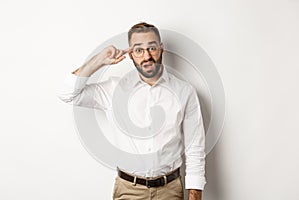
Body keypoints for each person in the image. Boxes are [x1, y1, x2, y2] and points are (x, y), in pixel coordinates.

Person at [57, 22, 206, 200]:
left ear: (161, 49)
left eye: (152, 48)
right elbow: (67, 94)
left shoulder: (184, 91)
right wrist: (98, 60)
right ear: (131, 55)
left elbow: (195, 147)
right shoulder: (113, 89)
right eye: (139, 50)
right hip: (128, 190)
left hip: (170, 190)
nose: (147, 56)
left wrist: (195, 194)